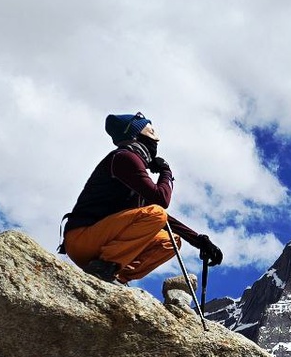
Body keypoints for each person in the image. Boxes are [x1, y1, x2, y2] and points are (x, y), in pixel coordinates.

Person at [62, 112, 222, 285]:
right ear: (135, 135)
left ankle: (115, 276)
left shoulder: (130, 167)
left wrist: (198, 240)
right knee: (157, 214)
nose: (157, 140)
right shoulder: (124, 157)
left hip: (96, 242)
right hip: (81, 238)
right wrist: (166, 172)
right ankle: (104, 267)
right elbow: (161, 201)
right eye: (152, 133)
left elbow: (160, 218)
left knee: (170, 241)